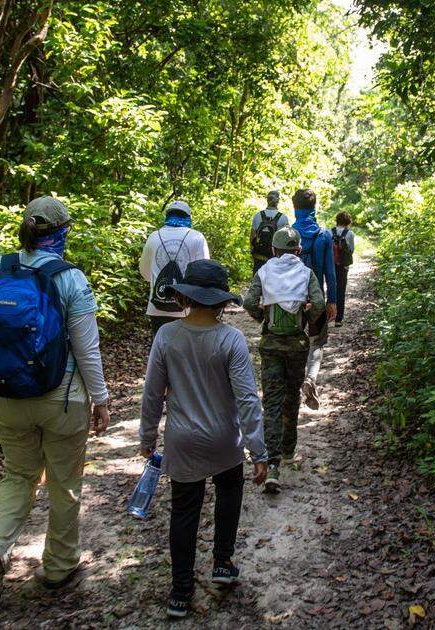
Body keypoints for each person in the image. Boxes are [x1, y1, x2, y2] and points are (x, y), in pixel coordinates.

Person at [0, 196, 111, 600]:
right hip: (61, 398)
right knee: (64, 484)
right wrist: (100, 399)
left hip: (7, 393)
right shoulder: (70, 277)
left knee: (18, 475)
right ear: (62, 230)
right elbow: (87, 348)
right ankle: (60, 567)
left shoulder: (2, 266)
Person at [138, 259, 268, 618]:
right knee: (229, 491)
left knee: (183, 511)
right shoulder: (231, 339)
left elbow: (152, 393)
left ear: (185, 298)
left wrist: (147, 436)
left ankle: (180, 592)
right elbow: (246, 398)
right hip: (225, 440)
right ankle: (222, 562)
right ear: (223, 302)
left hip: (182, 440)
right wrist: (258, 450)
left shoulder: (167, 336)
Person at [242, 227, 325, 493]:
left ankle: (272, 464)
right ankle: (289, 450)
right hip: (297, 346)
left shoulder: (265, 271)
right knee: (291, 398)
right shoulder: (306, 273)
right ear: (298, 250)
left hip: (271, 346)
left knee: (272, 402)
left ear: (274, 250)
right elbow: (320, 303)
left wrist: (262, 317)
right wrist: (307, 319)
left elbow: (249, 301)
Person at [290, 188, 337, 409]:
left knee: (296, 340)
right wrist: (332, 300)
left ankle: (294, 384)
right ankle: (310, 378)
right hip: (317, 298)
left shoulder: (288, 235)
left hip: (292, 299)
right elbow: (330, 271)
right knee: (317, 342)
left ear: (294, 207)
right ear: (314, 207)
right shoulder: (324, 235)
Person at [138, 200, 210, 336]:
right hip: (187, 308)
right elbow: (204, 274)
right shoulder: (196, 237)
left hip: (157, 306)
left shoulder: (153, 237)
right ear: (188, 217)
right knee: (186, 348)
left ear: (167, 216)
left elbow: (145, 273)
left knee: (160, 347)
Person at [249, 190, 289, 274]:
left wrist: (253, 253)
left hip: (259, 256)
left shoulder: (258, 215)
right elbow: (285, 239)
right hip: (275, 257)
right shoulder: (283, 218)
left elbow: (252, 237)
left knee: (258, 281)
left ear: (267, 200)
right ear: (278, 201)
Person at [331, 211, 356, 326]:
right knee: (341, 290)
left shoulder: (330, 232)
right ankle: (338, 319)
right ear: (348, 221)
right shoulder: (350, 233)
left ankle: (329, 317)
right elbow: (351, 250)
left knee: (331, 289)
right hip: (343, 266)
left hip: (331, 265)